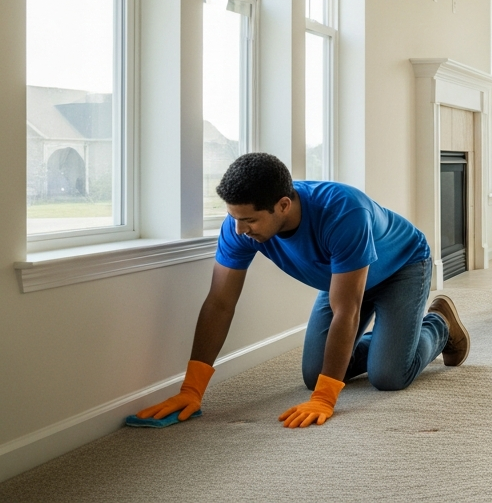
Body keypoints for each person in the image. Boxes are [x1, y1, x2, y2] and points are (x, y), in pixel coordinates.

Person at [135, 153, 471, 429]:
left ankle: (438, 323)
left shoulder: (343, 211)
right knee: (315, 375)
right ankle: (392, 340)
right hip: (341, 279)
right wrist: (192, 389)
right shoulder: (238, 227)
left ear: (282, 205)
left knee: (388, 376)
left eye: (249, 220)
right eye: (233, 218)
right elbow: (220, 303)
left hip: (401, 267)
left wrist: (327, 398)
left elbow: (347, 311)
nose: (240, 229)